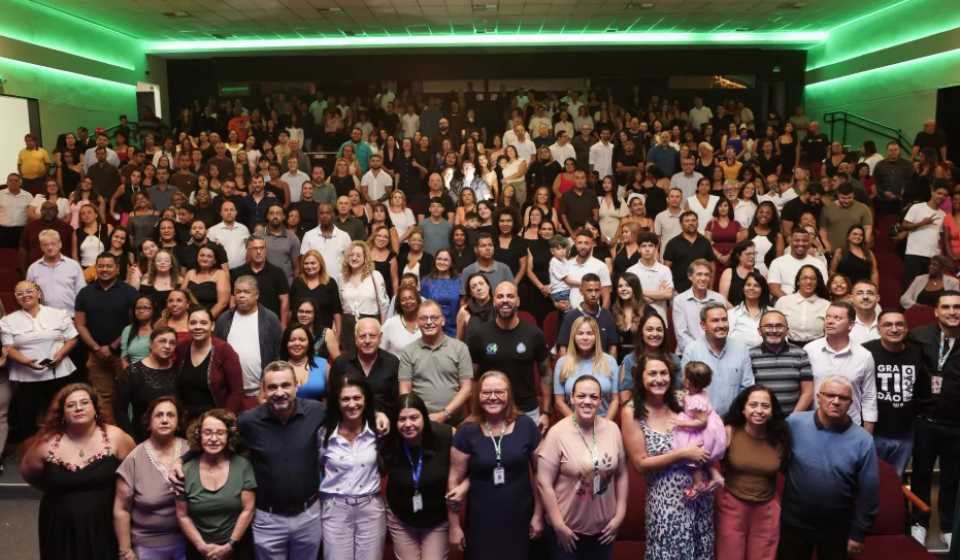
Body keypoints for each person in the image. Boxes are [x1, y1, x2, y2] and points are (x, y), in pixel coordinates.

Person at [20, 383, 136, 559]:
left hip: (104, 524)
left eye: (84, 402)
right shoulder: (46, 444)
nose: (78, 408)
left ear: (96, 409)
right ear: (63, 414)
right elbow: (30, 475)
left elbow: (136, 473)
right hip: (59, 526)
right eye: (71, 405)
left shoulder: (116, 438)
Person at [620, 355, 715, 559]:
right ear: (640, 378)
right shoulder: (631, 411)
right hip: (665, 504)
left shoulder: (683, 399)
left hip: (699, 496)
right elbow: (640, 465)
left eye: (664, 373)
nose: (659, 379)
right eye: (652, 373)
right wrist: (682, 454)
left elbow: (709, 425)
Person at [778, 376, 879, 560]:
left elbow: (869, 492)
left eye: (843, 398)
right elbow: (780, 462)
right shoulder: (794, 423)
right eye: (830, 395)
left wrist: (859, 533)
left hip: (839, 527)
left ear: (851, 402)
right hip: (794, 523)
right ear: (818, 397)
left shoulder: (863, 440)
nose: (836, 401)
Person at [448, 371, 543, 560]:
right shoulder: (467, 431)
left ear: (509, 394)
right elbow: (454, 481)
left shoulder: (526, 425)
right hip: (482, 521)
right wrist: (455, 526)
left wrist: (539, 515)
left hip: (521, 517)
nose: (493, 397)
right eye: (486, 392)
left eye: (499, 392)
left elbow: (541, 473)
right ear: (478, 396)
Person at [538, 374, 628, 560]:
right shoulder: (557, 433)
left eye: (594, 397)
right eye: (581, 396)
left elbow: (622, 474)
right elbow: (543, 484)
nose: (587, 401)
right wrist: (558, 526)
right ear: (571, 398)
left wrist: (619, 516)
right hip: (568, 533)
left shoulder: (612, 429)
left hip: (604, 533)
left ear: (600, 400)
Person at [906, 291, 960, 548]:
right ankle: (919, 522)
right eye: (946, 307)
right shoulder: (917, 337)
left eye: (957, 307)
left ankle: (948, 526)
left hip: (957, 423)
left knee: (952, 477)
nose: (952, 312)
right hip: (925, 420)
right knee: (921, 474)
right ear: (936, 311)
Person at [716, 385, 791, 560]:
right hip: (732, 508)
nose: (759, 411)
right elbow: (711, 466)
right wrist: (721, 496)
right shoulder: (728, 432)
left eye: (765, 406)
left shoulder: (781, 438)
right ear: (743, 409)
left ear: (772, 412)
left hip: (766, 510)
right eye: (753, 405)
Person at [316, 373, 385, 559]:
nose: (352, 404)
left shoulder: (377, 430)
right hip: (335, 508)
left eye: (357, 398)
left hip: (370, 507)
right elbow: (320, 465)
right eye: (345, 399)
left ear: (365, 399)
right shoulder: (324, 434)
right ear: (337, 402)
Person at [468, 282, 552, 430]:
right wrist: (476, 411)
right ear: (494, 301)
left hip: (527, 412)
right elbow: (473, 377)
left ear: (518, 301)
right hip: (490, 411)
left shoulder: (535, 334)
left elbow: (545, 374)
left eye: (510, 296)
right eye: (500, 296)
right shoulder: (479, 335)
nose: (505, 300)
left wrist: (546, 412)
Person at [380, 393, 454, 559]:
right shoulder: (389, 441)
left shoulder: (446, 435)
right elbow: (381, 471)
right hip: (400, 517)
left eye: (414, 417)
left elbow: (466, 468)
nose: (408, 424)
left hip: (438, 517)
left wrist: (462, 487)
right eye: (401, 419)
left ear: (424, 418)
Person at [1, 280, 79, 440]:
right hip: (26, 376)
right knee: (26, 419)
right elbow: (8, 347)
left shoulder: (58, 314)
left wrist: (61, 354)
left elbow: (72, 338)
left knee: (62, 414)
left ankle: (64, 451)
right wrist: (25, 361)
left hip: (59, 372)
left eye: (29, 291)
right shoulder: (7, 321)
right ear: (15, 298)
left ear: (38, 293)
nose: (25, 295)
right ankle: (30, 456)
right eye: (19, 293)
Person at [114, 396, 189, 560]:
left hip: (189, 542)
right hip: (147, 546)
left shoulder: (191, 451)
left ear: (178, 423)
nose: (164, 420)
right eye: (159, 415)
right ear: (148, 422)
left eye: (170, 415)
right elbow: (122, 509)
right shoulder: (134, 459)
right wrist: (125, 550)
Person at [175, 408, 257, 560]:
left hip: (237, 549)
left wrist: (229, 546)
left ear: (229, 435)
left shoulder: (242, 466)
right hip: (199, 550)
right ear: (199, 435)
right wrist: (201, 546)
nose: (213, 438)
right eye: (207, 432)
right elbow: (182, 515)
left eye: (220, 433)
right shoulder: (184, 471)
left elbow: (248, 509)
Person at [862, 309, 924, 478]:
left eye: (899, 324)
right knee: (869, 479)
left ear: (906, 328)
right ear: (879, 329)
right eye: (888, 325)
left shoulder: (917, 352)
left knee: (895, 479)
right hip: (875, 431)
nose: (894, 329)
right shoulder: (866, 352)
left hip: (905, 431)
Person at [75, 252, 139, 414]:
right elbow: (80, 325)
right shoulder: (85, 293)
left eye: (109, 266)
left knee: (128, 394)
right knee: (102, 397)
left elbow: (134, 324)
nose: (105, 269)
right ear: (95, 268)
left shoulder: (129, 292)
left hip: (123, 355)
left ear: (117, 269)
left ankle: (128, 432)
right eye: (101, 266)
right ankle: (108, 433)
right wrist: (97, 348)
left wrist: (111, 347)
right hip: (96, 356)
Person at [804, 302, 877, 431]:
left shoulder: (864, 356)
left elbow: (869, 396)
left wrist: (867, 433)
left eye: (837, 318)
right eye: (828, 317)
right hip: (814, 426)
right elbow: (804, 392)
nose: (830, 321)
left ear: (850, 325)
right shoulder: (809, 350)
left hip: (850, 426)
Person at [399, 300, 473, 423]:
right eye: (424, 318)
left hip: (453, 420)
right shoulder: (408, 351)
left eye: (434, 318)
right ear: (418, 322)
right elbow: (404, 391)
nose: (429, 322)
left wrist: (445, 414)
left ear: (442, 320)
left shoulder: (460, 348)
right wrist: (416, 416)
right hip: (419, 422)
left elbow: (467, 388)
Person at [213, 276, 284, 404]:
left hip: (262, 391)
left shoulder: (270, 319)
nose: (241, 296)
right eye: (238, 292)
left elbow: (279, 352)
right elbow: (215, 353)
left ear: (257, 294)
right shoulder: (224, 319)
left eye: (246, 292)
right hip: (230, 392)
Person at [680, 303, 755, 416]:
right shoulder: (692, 351)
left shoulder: (741, 349)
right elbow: (687, 389)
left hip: (735, 420)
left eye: (724, 320)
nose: (721, 325)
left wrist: (736, 416)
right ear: (703, 325)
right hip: (703, 420)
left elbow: (748, 387)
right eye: (715, 321)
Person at [177, 306, 248, 418]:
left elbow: (237, 391)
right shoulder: (182, 347)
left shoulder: (224, 350)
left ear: (212, 325)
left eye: (204, 323)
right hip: (186, 418)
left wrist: (224, 419)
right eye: (193, 323)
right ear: (187, 325)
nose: (198, 327)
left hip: (216, 417)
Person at [113, 327, 179, 442]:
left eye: (172, 343)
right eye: (162, 341)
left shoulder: (178, 370)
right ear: (150, 343)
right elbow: (119, 409)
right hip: (140, 437)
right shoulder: (133, 372)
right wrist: (130, 438)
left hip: (174, 436)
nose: (167, 346)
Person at [672, 361, 728, 498]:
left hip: (702, 430)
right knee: (705, 459)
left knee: (695, 459)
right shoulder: (698, 392)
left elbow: (702, 422)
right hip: (706, 427)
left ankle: (698, 484)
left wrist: (680, 423)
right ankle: (716, 476)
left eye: (683, 376)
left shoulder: (697, 400)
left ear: (688, 382)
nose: (681, 378)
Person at [329, 317, 400, 416]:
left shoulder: (392, 362)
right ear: (355, 339)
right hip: (349, 423)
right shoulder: (341, 363)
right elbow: (332, 399)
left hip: (385, 425)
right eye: (362, 336)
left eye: (372, 336)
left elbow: (396, 400)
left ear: (380, 337)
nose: (367, 340)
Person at [749, 310, 815, 416]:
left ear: (787, 330)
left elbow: (808, 393)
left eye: (779, 326)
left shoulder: (800, 354)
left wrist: (793, 419)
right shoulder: (750, 356)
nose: (774, 330)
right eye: (768, 326)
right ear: (759, 331)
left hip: (793, 421)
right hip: (760, 421)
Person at [338, 240, 390, 352]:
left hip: (370, 324)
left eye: (358, 255)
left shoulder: (375, 276)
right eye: (351, 255)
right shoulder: (341, 278)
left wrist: (383, 329)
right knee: (350, 359)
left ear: (365, 258)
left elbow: (384, 305)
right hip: (348, 325)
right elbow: (339, 304)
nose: (354, 258)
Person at [556, 274, 618, 359]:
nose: (593, 294)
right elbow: (563, 348)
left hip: (602, 368)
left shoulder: (607, 315)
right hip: (576, 368)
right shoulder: (571, 316)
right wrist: (567, 369)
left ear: (600, 291)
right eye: (589, 291)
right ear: (581, 291)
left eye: (596, 290)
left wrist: (611, 369)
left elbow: (612, 347)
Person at [230, 237, 290, 325]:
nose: (259, 252)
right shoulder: (238, 272)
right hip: (243, 321)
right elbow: (232, 300)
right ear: (248, 251)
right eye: (255, 248)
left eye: (262, 248)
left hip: (269, 323)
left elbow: (284, 301)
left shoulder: (277, 272)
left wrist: (283, 326)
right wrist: (234, 321)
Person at [901, 180, 949, 290]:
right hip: (914, 253)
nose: (941, 196)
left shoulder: (943, 214)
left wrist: (940, 255)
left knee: (927, 288)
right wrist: (922, 223)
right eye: (939, 193)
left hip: (933, 256)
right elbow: (904, 226)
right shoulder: (917, 207)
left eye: (945, 195)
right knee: (909, 286)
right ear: (932, 192)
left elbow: (940, 237)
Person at [673, 259, 726, 356]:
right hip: (688, 353)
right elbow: (681, 334)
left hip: (715, 352)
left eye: (707, 275)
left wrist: (712, 351)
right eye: (699, 274)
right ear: (690, 276)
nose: (703, 278)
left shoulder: (719, 299)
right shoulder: (680, 300)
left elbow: (723, 328)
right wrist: (700, 351)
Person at [774, 265, 831, 346]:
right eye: (804, 278)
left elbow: (830, 332)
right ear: (798, 281)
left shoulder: (826, 305)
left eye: (813, 278)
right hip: (787, 347)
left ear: (817, 282)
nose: (808, 282)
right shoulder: (783, 301)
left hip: (817, 347)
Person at [663, 211, 716, 294]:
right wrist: (670, 288)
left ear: (697, 223)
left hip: (702, 290)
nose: (691, 223)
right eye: (687, 221)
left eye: (693, 220)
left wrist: (711, 288)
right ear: (681, 225)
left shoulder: (705, 242)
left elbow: (712, 267)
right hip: (678, 291)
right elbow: (666, 268)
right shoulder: (673, 243)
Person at [290, 249, 342, 333]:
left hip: (324, 334)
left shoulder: (330, 283)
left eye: (313, 263)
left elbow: (337, 311)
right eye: (306, 263)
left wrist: (338, 333)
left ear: (320, 264)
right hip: (300, 333)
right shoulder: (297, 282)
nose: (309, 266)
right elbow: (291, 310)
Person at [768, 229, 828, 299]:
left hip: (812, 304)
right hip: (785, 304)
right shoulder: (777, 263)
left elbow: (823, 288)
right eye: (797, 240)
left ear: (809, 243)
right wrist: (792, 303)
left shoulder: (819, 264)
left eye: (804, 241)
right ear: (790, 242)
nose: (801, 243)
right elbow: (774, 289)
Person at [420, 248, 461, 338]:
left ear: (452, 263)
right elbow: (423, 306)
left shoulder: (460, 280)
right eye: (439, 259)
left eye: (446, 260)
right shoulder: (426, 282)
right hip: (432, 326)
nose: (442, 262)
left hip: (454, 328)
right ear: (435, 261)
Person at [182, 246, 231, 318]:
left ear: (214, 260)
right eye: (202, 255)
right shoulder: (190, 273)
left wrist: (206, 318)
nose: (205, 259)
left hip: (211, 318)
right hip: (189, 317)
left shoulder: (220, 274)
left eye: (209, 256)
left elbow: (223, 303)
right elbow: (181, 296)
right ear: (197, 258)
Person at [381, 285, 423, 353]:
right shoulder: (390, 324)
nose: (408, 301)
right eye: (403, 299)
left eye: (411, 298)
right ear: (399, 303)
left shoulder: (426, 322)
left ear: (417, 300)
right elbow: (381, 352)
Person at [121, 296, 155, 370]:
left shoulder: (159, 329)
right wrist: (131, 375)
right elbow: (124, 359)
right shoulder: (128, 330)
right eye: (138, 308)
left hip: (155, 370)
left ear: (153, 311)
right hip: (133, 372)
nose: (141, 311)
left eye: (146, 308)